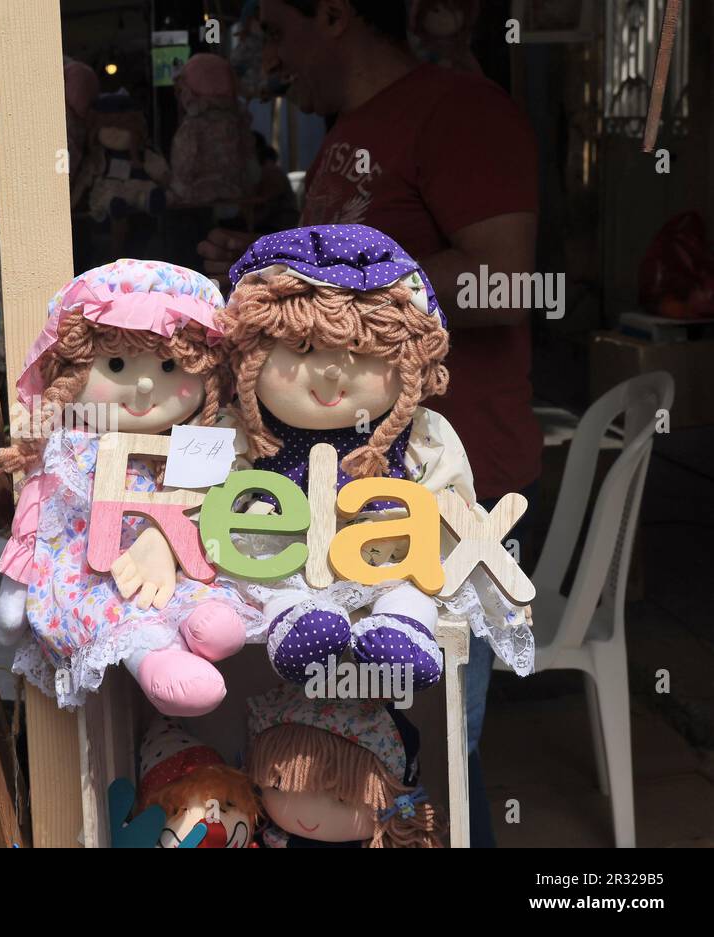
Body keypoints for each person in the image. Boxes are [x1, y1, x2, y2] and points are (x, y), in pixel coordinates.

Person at [198, 0, 540, 848]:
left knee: (434, 755)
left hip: (442, 483)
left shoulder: (460, 110)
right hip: (325, 506)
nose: (271, 58)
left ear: (335, 14)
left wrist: (348, 296)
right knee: (338, 752)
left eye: (277, 30)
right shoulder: (350, 125)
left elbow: (509, 276)